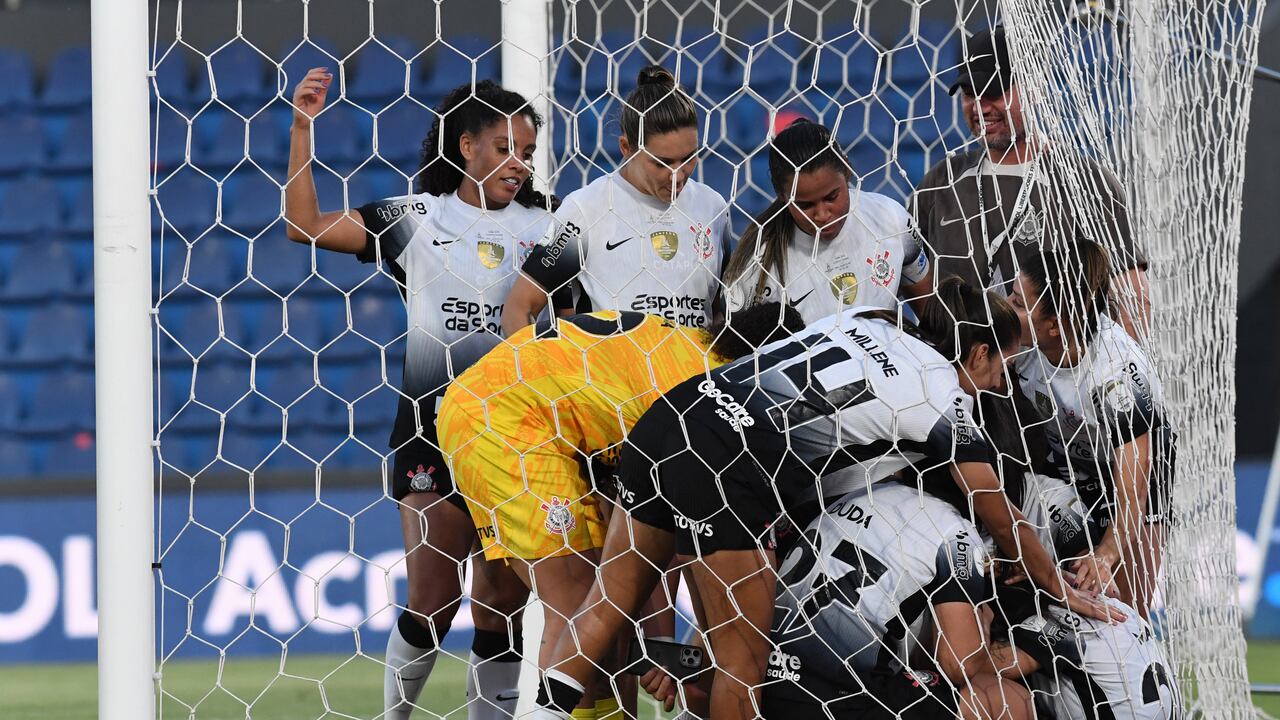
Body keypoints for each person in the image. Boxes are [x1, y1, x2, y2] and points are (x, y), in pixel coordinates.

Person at [532, 279, 1122, 720]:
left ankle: (544, 710)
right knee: (742, 668)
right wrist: (1056, 585)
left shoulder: (870, 319)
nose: (999, 384)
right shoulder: (944, 397)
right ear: (978, 353)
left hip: (674, 415)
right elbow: (1000, 511)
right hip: (728, 467)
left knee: (605, 606)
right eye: (1001, 366)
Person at [285, 70, 556, 719]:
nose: (518, 163)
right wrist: (301, 128)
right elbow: (304, 226)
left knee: (502, 605)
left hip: (516, 436)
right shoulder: (416, 217)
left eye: (527, 151)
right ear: (467, 145)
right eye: (504, 148)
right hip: (431, 430)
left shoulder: (550, 226)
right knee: (432, 600)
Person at [437, 304, 804, 717]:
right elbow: (700, 536)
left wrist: (681, 642)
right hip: (506, 419)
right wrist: (696, 640)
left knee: (603, 621)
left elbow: (663, 532)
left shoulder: (686, 349)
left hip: (508, 407)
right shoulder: (713, 397)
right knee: (576, 609)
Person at [910, 26, 1150, 340]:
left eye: (994, 91)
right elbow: (908, 274)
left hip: (1059, 369)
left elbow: (1131, 296)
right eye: (969, 93)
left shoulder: (1086, 182)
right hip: (961, 370)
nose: (981, 107)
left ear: (1034, 87)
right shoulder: (939, 183)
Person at [1007, 240, 1174, 616]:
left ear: (1053, 326)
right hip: (1066, 466)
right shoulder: (1019, 344)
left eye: (1017, 303)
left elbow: (1133, 486)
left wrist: (1106, 555)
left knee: (1125, 614)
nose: (1004, 307)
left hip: (1137, 480)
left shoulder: (1116, 375)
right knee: (1058, 601)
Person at [502, 65, 731, 334]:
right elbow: (518, 309)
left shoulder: (712, 207)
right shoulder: (585, 210)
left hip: (692, 361)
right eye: (662, 163)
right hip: (612, 361)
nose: (678, 175)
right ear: (626, 148)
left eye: (689, 158)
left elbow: (720, 312)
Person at [722, 118, 933, 322]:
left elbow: (933, 319)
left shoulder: (890, 219)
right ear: (782, 196)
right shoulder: (756, 266)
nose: (822, 215)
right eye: (805, 205)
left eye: (831, 197)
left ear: (847, 171)